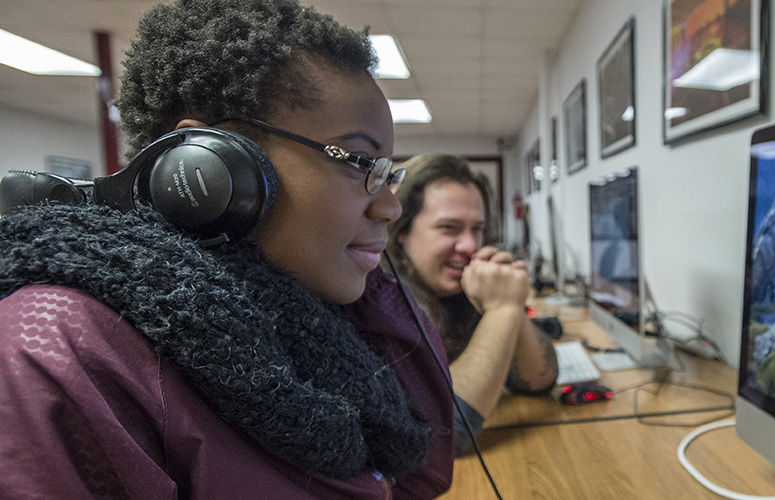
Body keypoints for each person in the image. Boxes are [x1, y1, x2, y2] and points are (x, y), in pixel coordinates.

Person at [0, 0, 454, 498]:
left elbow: (420, 479)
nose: (390, 207)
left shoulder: (326, 313)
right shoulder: (60, 348)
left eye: (387, 172)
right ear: (206, 161)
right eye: (359, 161)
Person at [384, 154, 559, 455]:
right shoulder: (382, 303)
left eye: (476, 229)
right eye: (449, 228)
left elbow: (537, 381)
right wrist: (502, 309)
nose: (469, 246)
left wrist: (510, 305)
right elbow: (442, 435)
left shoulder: (463, 287)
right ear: (402, 232)